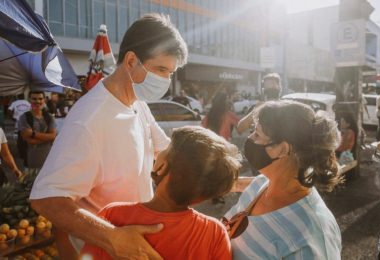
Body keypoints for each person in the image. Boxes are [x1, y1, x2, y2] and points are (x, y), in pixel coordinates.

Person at [29, 13, 188, 259]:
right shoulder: (89, 121)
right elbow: (46, 199)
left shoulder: (138, 103)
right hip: (97, 251)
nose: (166, 80)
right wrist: (113, 237)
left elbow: (165, 151)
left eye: (170, 73)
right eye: (160, 69)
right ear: (132, 60)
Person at [80, 126, 241, 259]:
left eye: (166, 148)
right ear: (202, 196)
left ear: (162, 167)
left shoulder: (113, 215)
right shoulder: (214, 233)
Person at [223, 100, 342, 259]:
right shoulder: (262, 183)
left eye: (257, 134)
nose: (250, 138)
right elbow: (233, 184)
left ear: (282, 149)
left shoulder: (312, 238)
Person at [17, 91, 57, 172]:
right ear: (29, 100)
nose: (37, 101)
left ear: (44, 100)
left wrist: (33, 133)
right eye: (34, 99)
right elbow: (28, 139)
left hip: (48, 161)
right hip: (30, 161)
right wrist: (47, 137)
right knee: (30, 184)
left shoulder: (49, 117)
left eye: (40, 99)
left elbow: (53, 136)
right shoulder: (24, 117)